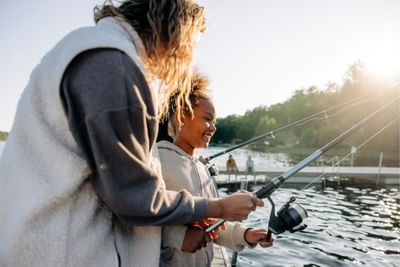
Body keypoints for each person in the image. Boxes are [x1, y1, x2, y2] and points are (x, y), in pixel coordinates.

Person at [0, 1, 263, 266]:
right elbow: (136, 199)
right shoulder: (113, 64)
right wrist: (218, 207)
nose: (187, 61)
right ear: (174, 30)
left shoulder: (82, 48)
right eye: (191, 45)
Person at [158, 71, 273, 267]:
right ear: (181, 117)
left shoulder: (203, 169)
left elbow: (212, 224)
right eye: (208, 119)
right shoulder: (158, 159)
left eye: (214, 122)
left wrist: (246, 235)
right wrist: (178, 237)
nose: (213, 127)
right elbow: (140, 216)